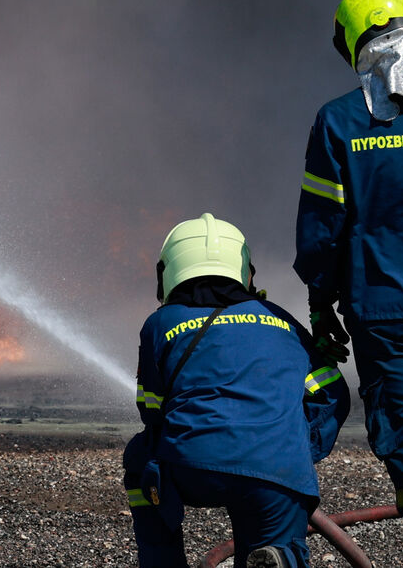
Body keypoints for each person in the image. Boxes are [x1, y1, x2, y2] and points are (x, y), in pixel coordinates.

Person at [126, 213, 348, 568]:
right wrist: (299, 447)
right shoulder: (283, 321)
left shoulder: (160, 324)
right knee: (275, 546)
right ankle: (276, 555)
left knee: (139, 458)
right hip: (279, 467)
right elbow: (332, 393)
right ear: (245, 270)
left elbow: (150, 408)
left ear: (167, 272)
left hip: (193, 465)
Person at [295, 0, 403, 546]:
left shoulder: (341, 121)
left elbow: (323, 231)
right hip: (383, 316)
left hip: (385, 320)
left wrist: (321, 306)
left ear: (351, 42)